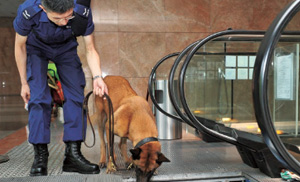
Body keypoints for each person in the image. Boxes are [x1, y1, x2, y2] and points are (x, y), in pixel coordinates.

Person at [13, 0, 108, 176]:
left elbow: (90, 48)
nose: (65, 22)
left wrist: (97, 77)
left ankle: (72, 155)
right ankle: (40, 157)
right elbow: (19, 47)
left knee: (76, 96)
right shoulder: (28, 12)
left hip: (66, 48)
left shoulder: (81, 12)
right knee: (38, 98)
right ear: (43, 8)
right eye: (58, 18)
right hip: (36, 49)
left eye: (68, 16)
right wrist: (24, 83)